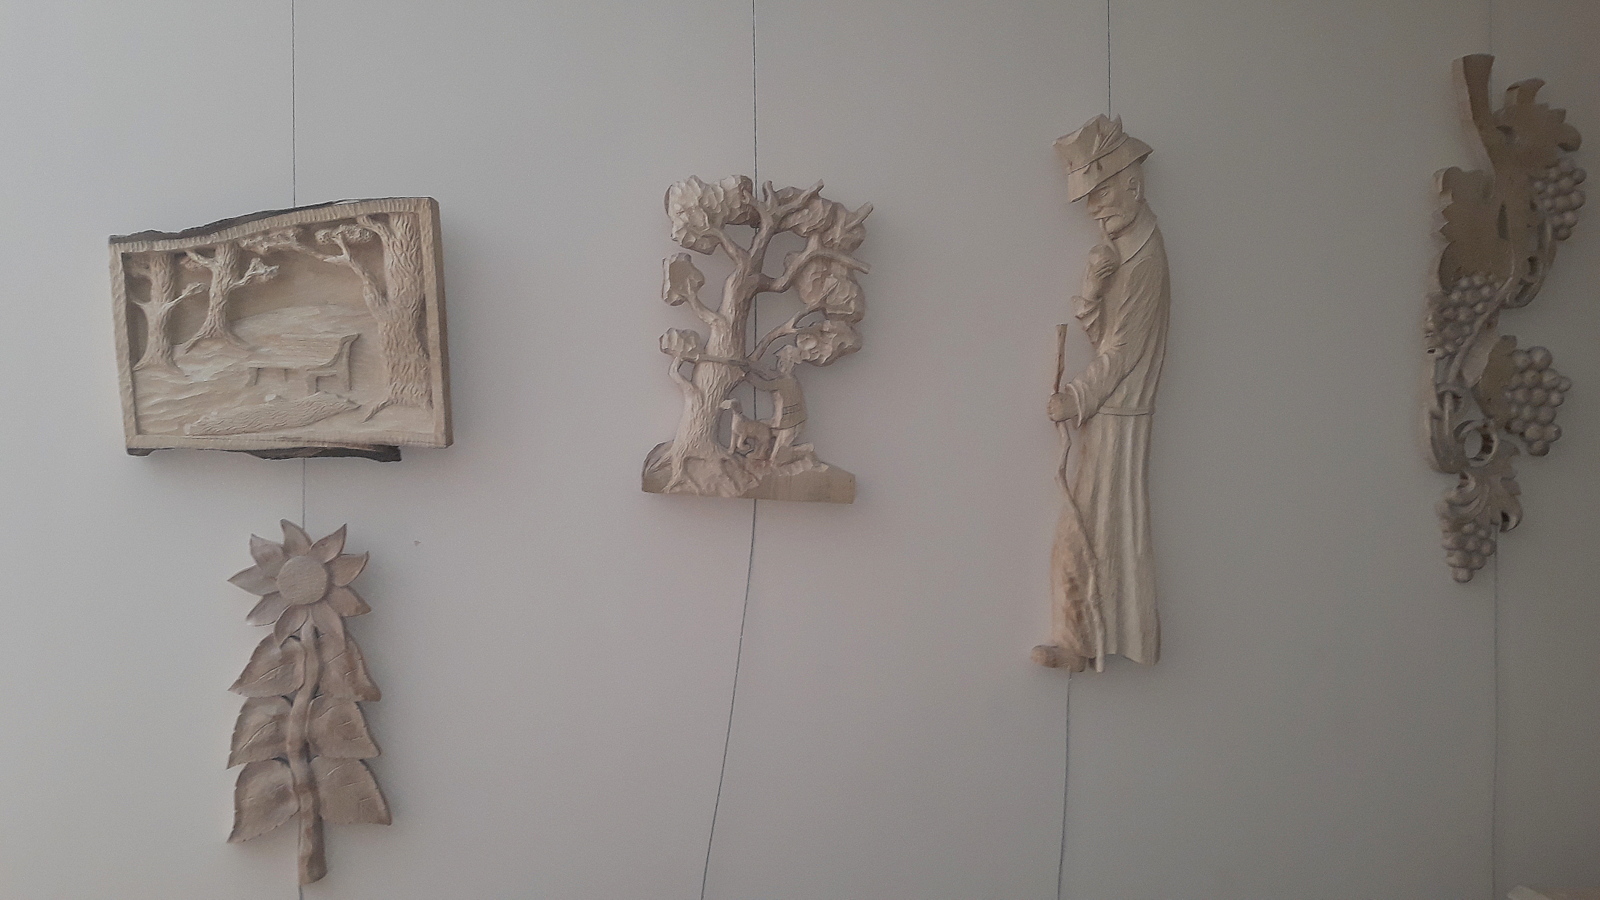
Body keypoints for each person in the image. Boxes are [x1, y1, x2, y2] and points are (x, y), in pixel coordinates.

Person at [1035, 115, 1170, 672]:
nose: (1094, 208)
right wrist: (1092, 293)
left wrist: (1075, 398)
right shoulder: (1128, 255)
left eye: (1102, 192)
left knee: (1094, 534)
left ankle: (1089, 639)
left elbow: (1121, 354)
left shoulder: (1147, 263)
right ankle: (1088, 637)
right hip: (1110, 416)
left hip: (1119, 418)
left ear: (1133, 186)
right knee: (1100, 535)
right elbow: (1108, 340)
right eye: (1088, 198)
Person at [744, 345, 808, 464]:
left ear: (791, 364)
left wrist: (745, 374)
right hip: (782, 420)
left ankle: (805, 451)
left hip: (791, 423)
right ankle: (761, 453)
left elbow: (764, 385)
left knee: (777, 459)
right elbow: (768, 372)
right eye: (780, 360)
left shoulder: (787, 381)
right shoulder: (783, 377)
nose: (780, 364)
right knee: (761, 428)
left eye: (784, 361)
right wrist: (751, 365)